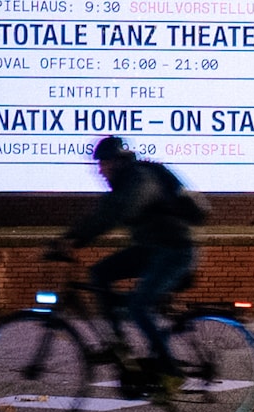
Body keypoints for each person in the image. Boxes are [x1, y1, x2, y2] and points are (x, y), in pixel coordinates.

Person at [45, 134, 200, 379]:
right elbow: (103, 212)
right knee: (100, 273)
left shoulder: (139, 180)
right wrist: (69, 237)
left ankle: (171, 372)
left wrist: (75, 240)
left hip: (174, 251)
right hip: (151, 250)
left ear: (117, 161)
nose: (100, 171)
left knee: (139, 306)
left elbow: (115, 213)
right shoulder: (125, 183)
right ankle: (118, 346)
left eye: (103, 164)